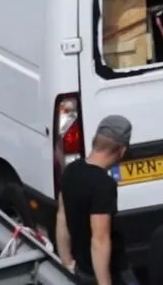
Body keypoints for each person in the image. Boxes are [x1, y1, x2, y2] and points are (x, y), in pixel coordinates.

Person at [56, 115, 135, 285]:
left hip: (81, 270)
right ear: (122, 150)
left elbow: (62, 217)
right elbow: (100, 239)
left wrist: (66, 261)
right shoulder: (103, 185)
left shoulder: (70, 171)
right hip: (105, 273)